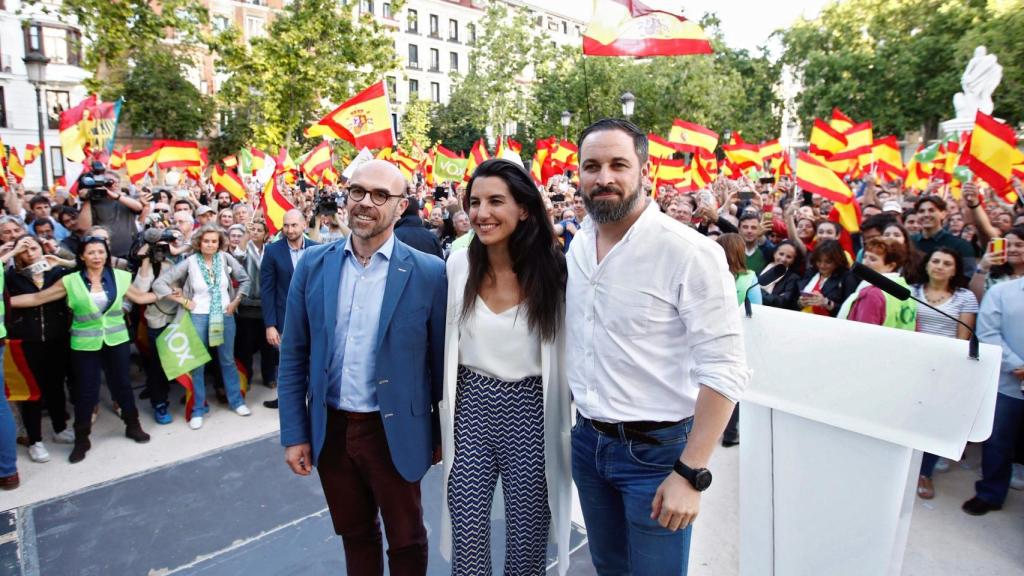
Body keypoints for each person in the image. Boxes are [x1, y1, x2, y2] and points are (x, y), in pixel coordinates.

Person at [567, 119, 750, 575]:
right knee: (608, 567)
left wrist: (691, 473)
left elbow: (725, 370)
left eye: (617, 164)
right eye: (591, 166)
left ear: (644, 170)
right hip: (588, 444)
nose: (603, 177)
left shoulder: (690, 253)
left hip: (658, 454)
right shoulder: (578, 245)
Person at [277, 160, 446, 576]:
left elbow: (440, 364)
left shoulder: (429, 273)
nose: (366, 203)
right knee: (355, 534)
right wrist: (295, 433)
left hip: (394, 433)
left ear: (401, 205)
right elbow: (294, 356)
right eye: (358, 191)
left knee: (406, 540)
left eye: (380, 195)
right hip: (331, 431)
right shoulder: (314, 265)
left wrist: (439, 435)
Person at [440, 159, 572, 575]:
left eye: (496, 201)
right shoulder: (458, 265)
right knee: (467, 538)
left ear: (525, 208)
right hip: (472, 406)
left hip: (531, 411)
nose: (481, 213)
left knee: (527, 542)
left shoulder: (557, 272)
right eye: (475, 202)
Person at [9, 236, 159, 463]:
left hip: (116, 340)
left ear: (107, 255)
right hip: (84, 344)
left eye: (101, 252)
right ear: (82, 256)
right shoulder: (70, 281)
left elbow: (139, 296)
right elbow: (37, 297)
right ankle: (82, 439)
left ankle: (132, 425)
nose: (97, 257)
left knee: (122, 386)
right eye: (91, 252)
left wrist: (168, 295)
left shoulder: (120, 276)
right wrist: (5, 301)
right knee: (85, 391)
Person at [153, 224, 252, 429]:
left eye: (214, 241)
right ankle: (198, 408)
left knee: (227, 360)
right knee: (198, 364)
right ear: (199, 242)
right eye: (206, 241)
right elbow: (160, 284)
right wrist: (184, 302)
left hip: (225, 315)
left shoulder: (225, 258)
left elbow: (245, 279)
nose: (210, 244)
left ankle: (237, 402)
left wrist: (235, 302)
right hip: (198, 316)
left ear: (219, 243)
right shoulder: (190, 262)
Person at [910, 248, 978, 499]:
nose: (939, 266)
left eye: (947, 263)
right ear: (927, 265)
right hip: (912, 363)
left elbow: (963, 338)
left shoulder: (965, 297)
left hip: (945, 368)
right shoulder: (911, 291)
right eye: (935, 260)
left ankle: (925, 472)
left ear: (955, 269)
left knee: (933, 422)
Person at [5, 235, 74, 463]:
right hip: (26, 341)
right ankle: (35, 440)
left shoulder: (56, 273)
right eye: (23, 250)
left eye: (33, 248)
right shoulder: (10, 277)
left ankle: (60, 428)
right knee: (31, 392)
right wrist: (10, 254)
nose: (30, 253)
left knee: (55, 385)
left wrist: (61, 261)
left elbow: (87, 270)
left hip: (57, 338)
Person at [963, 273, 1023, 515]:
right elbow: (989, 333)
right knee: (998, 441)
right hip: (1009, 383)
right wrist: (1018, 366)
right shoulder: (1002, 292)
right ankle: (991, 493)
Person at [260, 209, 318, 409]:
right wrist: (270, 325)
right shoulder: (272, 251)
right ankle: (286, 399)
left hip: (312, 318)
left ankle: (314, 396)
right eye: (286, 225)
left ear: (304, 225)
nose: (290, 229)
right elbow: (267, 290)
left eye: (294, 225)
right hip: (284, 318)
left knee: (313, 358)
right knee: (287, 362)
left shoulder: (317, 249)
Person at [235, 221, 279, 394]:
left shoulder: (271, 249)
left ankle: (269, 377)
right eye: (253, 229)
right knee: (245, 345)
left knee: (268, 345)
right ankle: (247, 376)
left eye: (259, 230)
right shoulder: (246, 248)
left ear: (266, 233)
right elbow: (238, 255)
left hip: (267, 305)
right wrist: (246, 233)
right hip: (247, 305)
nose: (255, 233)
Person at [838, 238, 916, 329]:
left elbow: (864, 332)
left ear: (891, 266)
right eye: (864, 257)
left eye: (872, 259)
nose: (864, 263)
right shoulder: (908, 290)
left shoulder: (872, 294)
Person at [799, 239, 857, 317]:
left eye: (828, 262)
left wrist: (827, 303)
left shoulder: (847, 278)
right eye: (819, 261)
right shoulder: (811, 272)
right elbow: (794, 301)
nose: (822, 265)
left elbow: (851, 310)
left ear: (837, 261)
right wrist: (800, 303)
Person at [759, 240, 804, 310]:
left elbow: (781, 302)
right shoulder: (763, 266)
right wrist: (772, 296)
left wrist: (758, 291)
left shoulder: (793, 278)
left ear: (793, 260)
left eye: (789, 257)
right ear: (774, 253)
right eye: (781, 254)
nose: (783, 259)